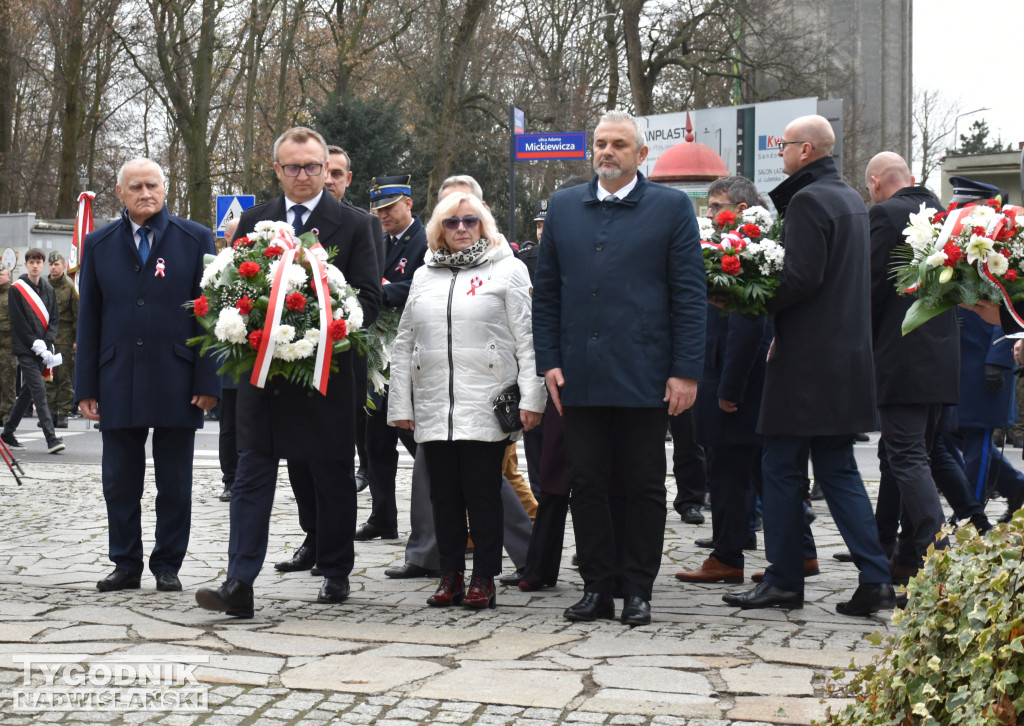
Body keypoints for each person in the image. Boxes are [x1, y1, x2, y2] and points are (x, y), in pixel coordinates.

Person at [196, 126, 380, 617]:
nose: (304, 175)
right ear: (277, 169)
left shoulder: (356, 224)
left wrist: (316, 327)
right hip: (264, 377)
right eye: (293, 167)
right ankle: (239, 582)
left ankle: (336, 569)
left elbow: (370, 299)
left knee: (332, 475)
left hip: (327, 374)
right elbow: (231, 291)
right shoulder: (256, 220)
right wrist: (253, 324)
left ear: (326, 168)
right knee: (252, 475)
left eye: (313, 166)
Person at [532, 110, 706, 626]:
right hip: (579, 375)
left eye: (619, 145)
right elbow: (547, 294)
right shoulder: (564, 207)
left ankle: (637, 588)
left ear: (640, 154)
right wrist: (549, 362)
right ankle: (597, 587)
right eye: (601, 143)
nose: (607, 152)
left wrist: (686, 371)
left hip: (646, 374)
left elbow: (689, 296)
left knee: (644, 485)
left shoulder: (671, 208)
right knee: (586, 483)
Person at [722, 115, 895, 616]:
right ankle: (876, 578)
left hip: (805, 362)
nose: (780, 153)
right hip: (845, 358)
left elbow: (799, 278)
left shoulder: (808, 200)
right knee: (838, 470)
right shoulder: (851, 201)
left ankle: (783, 579)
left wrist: (741, 295)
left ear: (806, 150)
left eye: (785, 145)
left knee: (779, 468)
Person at [388, 191, 545, 610]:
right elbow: (404, 343)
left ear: (483, 224)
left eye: (470, 221)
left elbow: (528, 341)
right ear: (439, 228)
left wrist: (533, 397)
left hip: (486, 403)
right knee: (443, 496)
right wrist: (401, 406)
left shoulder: (507, 270)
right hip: (435, 403)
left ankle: (484, 578)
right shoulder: (424, 275)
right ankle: (450, 575)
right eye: (452, 222)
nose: (461, 229)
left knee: (482, 494)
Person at [76, 158, 219, 592]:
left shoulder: (195, 239)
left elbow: (210, 314)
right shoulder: (99, 244)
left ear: (165, 188)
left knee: (174, 482)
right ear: (120, 193)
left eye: (152, 185)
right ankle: (125, 563)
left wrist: (207, 381)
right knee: (119, 481)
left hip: (178, 377)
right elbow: (89, 318)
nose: (145, 193)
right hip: (117, 376)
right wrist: (86, 386)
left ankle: (167, 564)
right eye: (135, 186)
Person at [863, 151, 955, 581]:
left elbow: (872, 286)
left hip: (901, 355)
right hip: (940, 357)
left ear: (877, 181)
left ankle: (941, 560)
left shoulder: (884, 214)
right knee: (916, 455)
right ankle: (907, 558)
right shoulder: (944, 215)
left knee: (906, 456)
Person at [675, 176, 771, 585]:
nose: (709, 214)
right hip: (729, 377)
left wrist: (729, 389)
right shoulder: (728, 247)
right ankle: (798, 552)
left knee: (729, 474)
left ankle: (727, 556)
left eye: (716, 207)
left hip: (731, 382)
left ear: (743, 210)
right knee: (758, 472)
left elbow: (747, 325)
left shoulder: (746, 252)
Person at [353, 173, 425, 543]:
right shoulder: (378, 240)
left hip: (412, 355)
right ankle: (383, 517)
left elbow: (422, 284)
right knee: (375, 444)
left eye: (390, 208)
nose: (383, 215)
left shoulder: (424, 241)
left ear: (408, 203)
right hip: (378, 355)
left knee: (414, 440)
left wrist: (384, 291)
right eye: (378, 209)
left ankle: (437, 519)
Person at [324, 144, 386, 494]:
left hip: (346, 343)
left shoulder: (363, 224)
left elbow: (369, 292)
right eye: (325, 171)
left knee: (352, 424)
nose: (330, 180)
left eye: (337, 174)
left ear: (348, 179)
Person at [2, 248, 65, 454]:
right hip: (26, 349)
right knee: (39, 390)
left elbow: (54, 319)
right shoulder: (17, 289)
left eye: (39, 262)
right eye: (32, 262)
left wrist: (47, 343)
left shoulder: (49, 290)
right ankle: (51, 438)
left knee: (27, 393)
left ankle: (8, 432)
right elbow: (19, 323)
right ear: (27, 265)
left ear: (43, 265)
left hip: (44, 350)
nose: (35, 265)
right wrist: (35, 344)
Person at [216, 218, 240, 503]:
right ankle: (230, 479)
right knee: (229, 426)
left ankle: (248, 476)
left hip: (256, 356)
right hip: (228, 356)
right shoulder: (218, 266)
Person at [45, 252, 77, 429]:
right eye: (51, 265)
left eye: (56, 264)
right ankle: (49, 413)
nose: (53, 268)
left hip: (65, 339)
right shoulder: (42, 286)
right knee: (48, 377)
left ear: (63, 266)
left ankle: (63, 413)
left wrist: (76, 338)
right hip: (46, 339)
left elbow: (76, 315)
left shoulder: (70, 288)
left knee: (64, 377)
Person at [0, 263, 16, 427]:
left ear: (8, 276)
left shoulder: (13, 294)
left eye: (2, 274)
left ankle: (7, 414)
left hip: (8, 346)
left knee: (8, 382)